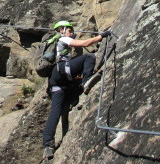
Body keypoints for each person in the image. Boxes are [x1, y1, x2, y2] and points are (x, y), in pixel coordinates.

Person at [42, 21, 112, 160]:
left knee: (55, 111)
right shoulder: (62, 38)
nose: (71, 33)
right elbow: (85, 44)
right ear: (62, 30)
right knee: (89, 57)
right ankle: (86, 82)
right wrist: (101, 36)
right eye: (70, 30)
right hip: (62, 71)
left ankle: (48, 145)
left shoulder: (56, 43)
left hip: (56, 81)